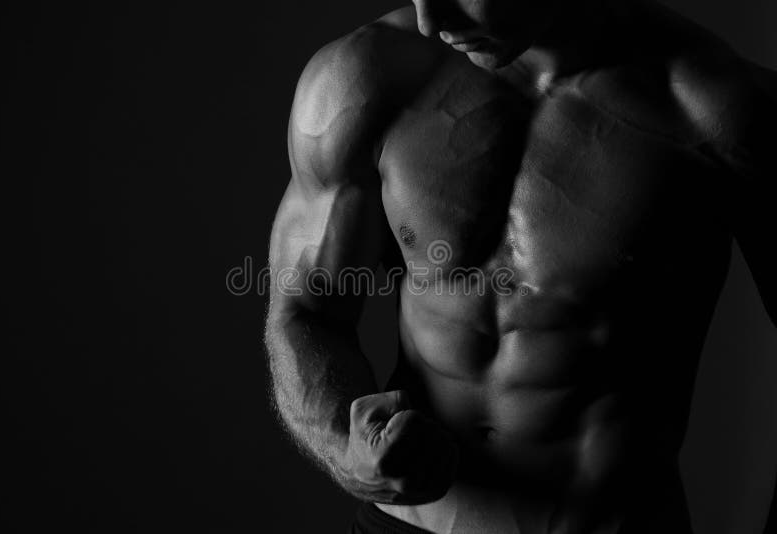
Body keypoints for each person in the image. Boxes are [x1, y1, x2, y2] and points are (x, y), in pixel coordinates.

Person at [265, 0, 777, 531]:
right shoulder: (365, 78)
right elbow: (305, 309)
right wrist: (347, 453)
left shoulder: (723, 111)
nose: (430, 18)